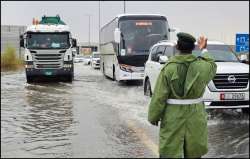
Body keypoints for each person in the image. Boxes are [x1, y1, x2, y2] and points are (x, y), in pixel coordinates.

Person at [148, 32, 217, 158]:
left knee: (170, 151)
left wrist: (153, 116)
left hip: (173, 117)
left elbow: (159, 97)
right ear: (193, 48)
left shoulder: (168, 68)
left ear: (177, 47)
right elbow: (212, 64)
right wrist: (204, 49)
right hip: (195, 116)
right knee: (194, 151)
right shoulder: (202, 67)